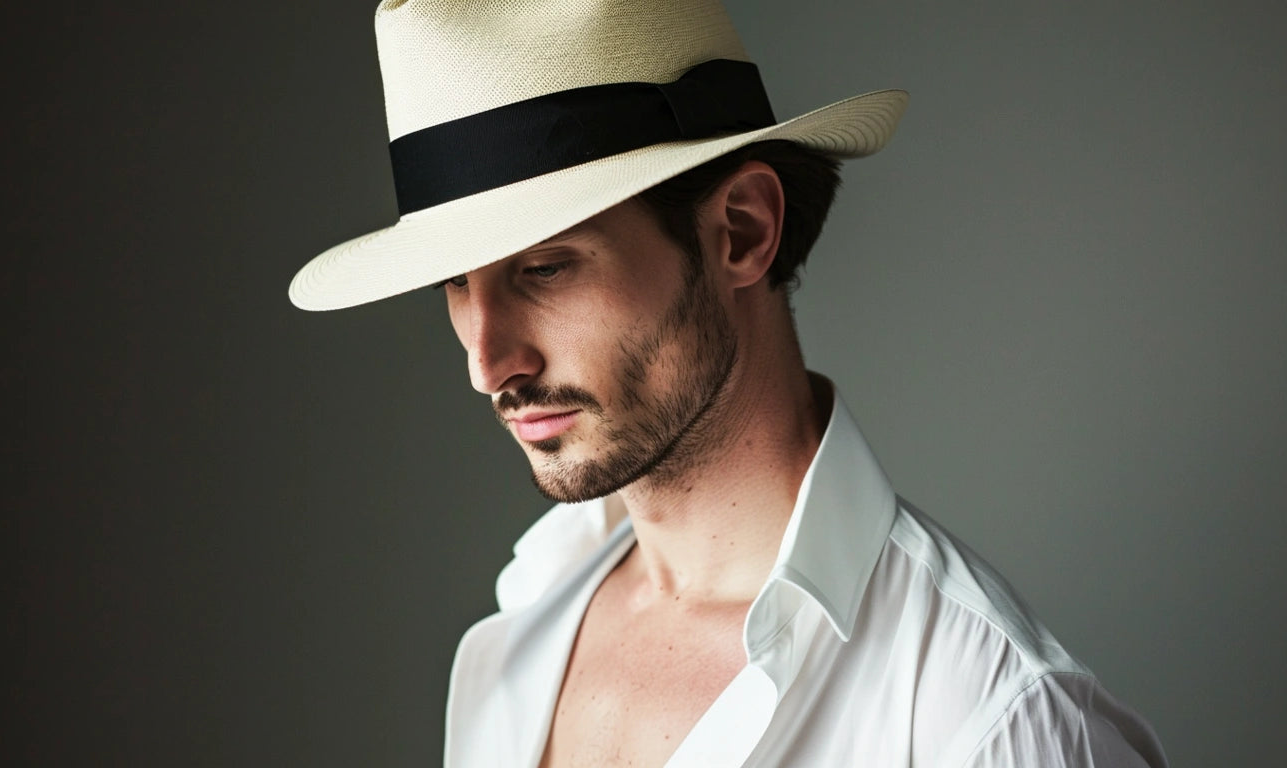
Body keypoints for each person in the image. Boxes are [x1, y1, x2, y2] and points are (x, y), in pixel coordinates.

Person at [290, 1, 1170, 765]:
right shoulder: (520, 629)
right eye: (456, 284)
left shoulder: (986, 719)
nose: (489, 364)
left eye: (546, 269)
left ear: (741, 231)